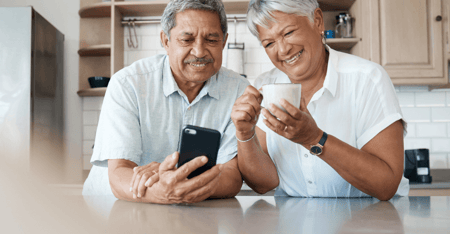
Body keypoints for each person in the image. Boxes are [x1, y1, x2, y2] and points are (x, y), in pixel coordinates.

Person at [231, 0, 409, 201]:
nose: (282, 50)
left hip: (369, 221)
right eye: (269, 43)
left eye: (288, 33)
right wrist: (244, 134)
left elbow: (386, 185)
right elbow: (264, 184)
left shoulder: (367, 79)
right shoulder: (267, 84)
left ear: (317, 21)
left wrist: (314, 139)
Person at [82, 0, 250, 204]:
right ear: (166, 41)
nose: (199, 51)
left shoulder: (239, 90)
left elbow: (232, 176)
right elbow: (119, 173)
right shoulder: (128, 84)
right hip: (116, 207)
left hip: (190, 214)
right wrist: (164, 191)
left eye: (211, 40)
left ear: (224, 41)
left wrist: (177, 180)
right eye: (187, 40)